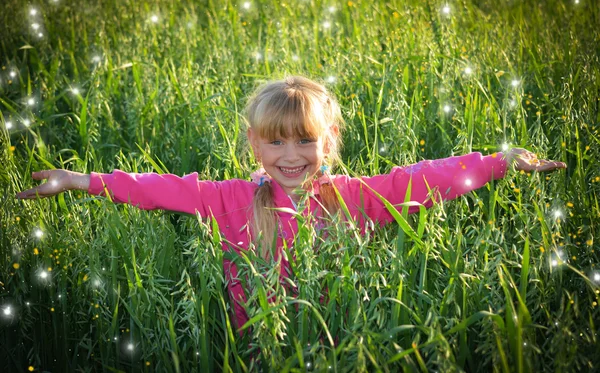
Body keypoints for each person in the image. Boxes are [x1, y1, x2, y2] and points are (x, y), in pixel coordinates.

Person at [16, 75, 566, 330]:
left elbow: (426, 178)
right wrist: (77, 180)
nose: (291, 154)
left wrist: (504, 159)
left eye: (305, 139)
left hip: (336, 343)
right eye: (275, 141)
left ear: (327, 143)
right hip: (253, 351)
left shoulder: (357, 198)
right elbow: (152, 186)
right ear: (254, 145)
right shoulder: (229, 199)